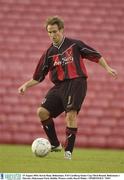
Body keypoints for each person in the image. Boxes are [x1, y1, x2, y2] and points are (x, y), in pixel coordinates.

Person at [18, 16, 118, 160]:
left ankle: (68, 152)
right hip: (59, 86)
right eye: (49, 32)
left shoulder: (74, 44)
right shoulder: (49, 53)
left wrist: (107, 68)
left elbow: (95, 55)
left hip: (77, 83)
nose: (52, 35)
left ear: (61, 30)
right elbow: (38, 76)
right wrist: (25, 85)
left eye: (54, 31)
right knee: (42, 112)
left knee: (71, 115)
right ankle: (55, 144)